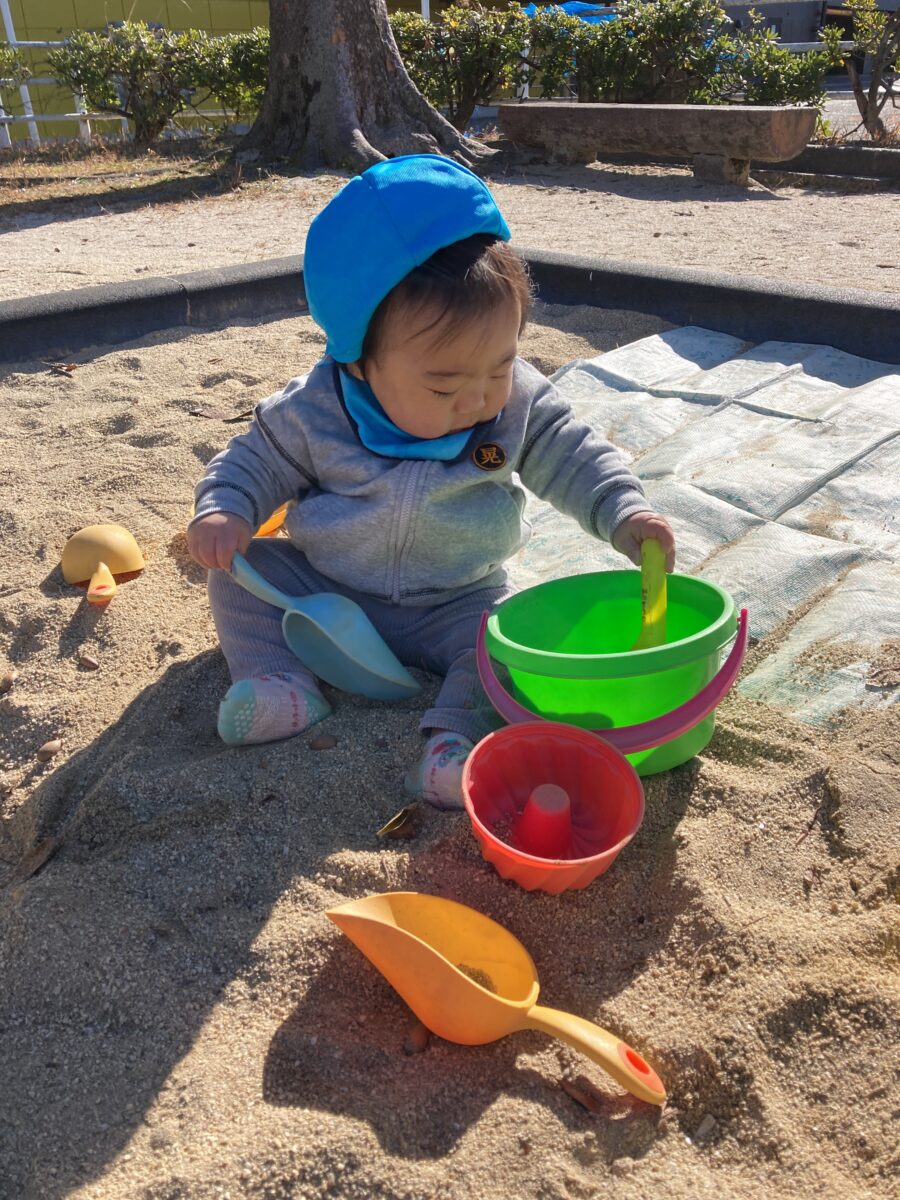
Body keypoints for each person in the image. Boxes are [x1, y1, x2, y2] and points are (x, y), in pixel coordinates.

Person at [187, 155, 675, 809]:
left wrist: (624, 510)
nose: (479, 398)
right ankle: (280, 684)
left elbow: (574, 455)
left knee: (502, 646)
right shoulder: (314, 411)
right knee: (240, 572)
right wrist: (225, 509)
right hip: (330, 587)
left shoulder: (517, 404)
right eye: (444, 386)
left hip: (456, 599)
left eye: (499, 366)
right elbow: (250, 462)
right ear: (358, 362)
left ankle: (451, 744)